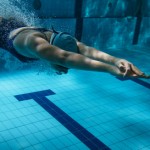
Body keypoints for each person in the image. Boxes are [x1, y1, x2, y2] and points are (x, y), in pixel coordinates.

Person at [0, 17, 149, 78]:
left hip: (17, 26)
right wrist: (112, 70)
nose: (65, 69)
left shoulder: (63, 39)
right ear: (52, 52)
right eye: (65, 66)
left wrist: (117, 60)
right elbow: (65, 57)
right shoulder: (34, 44)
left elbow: (87, 50)